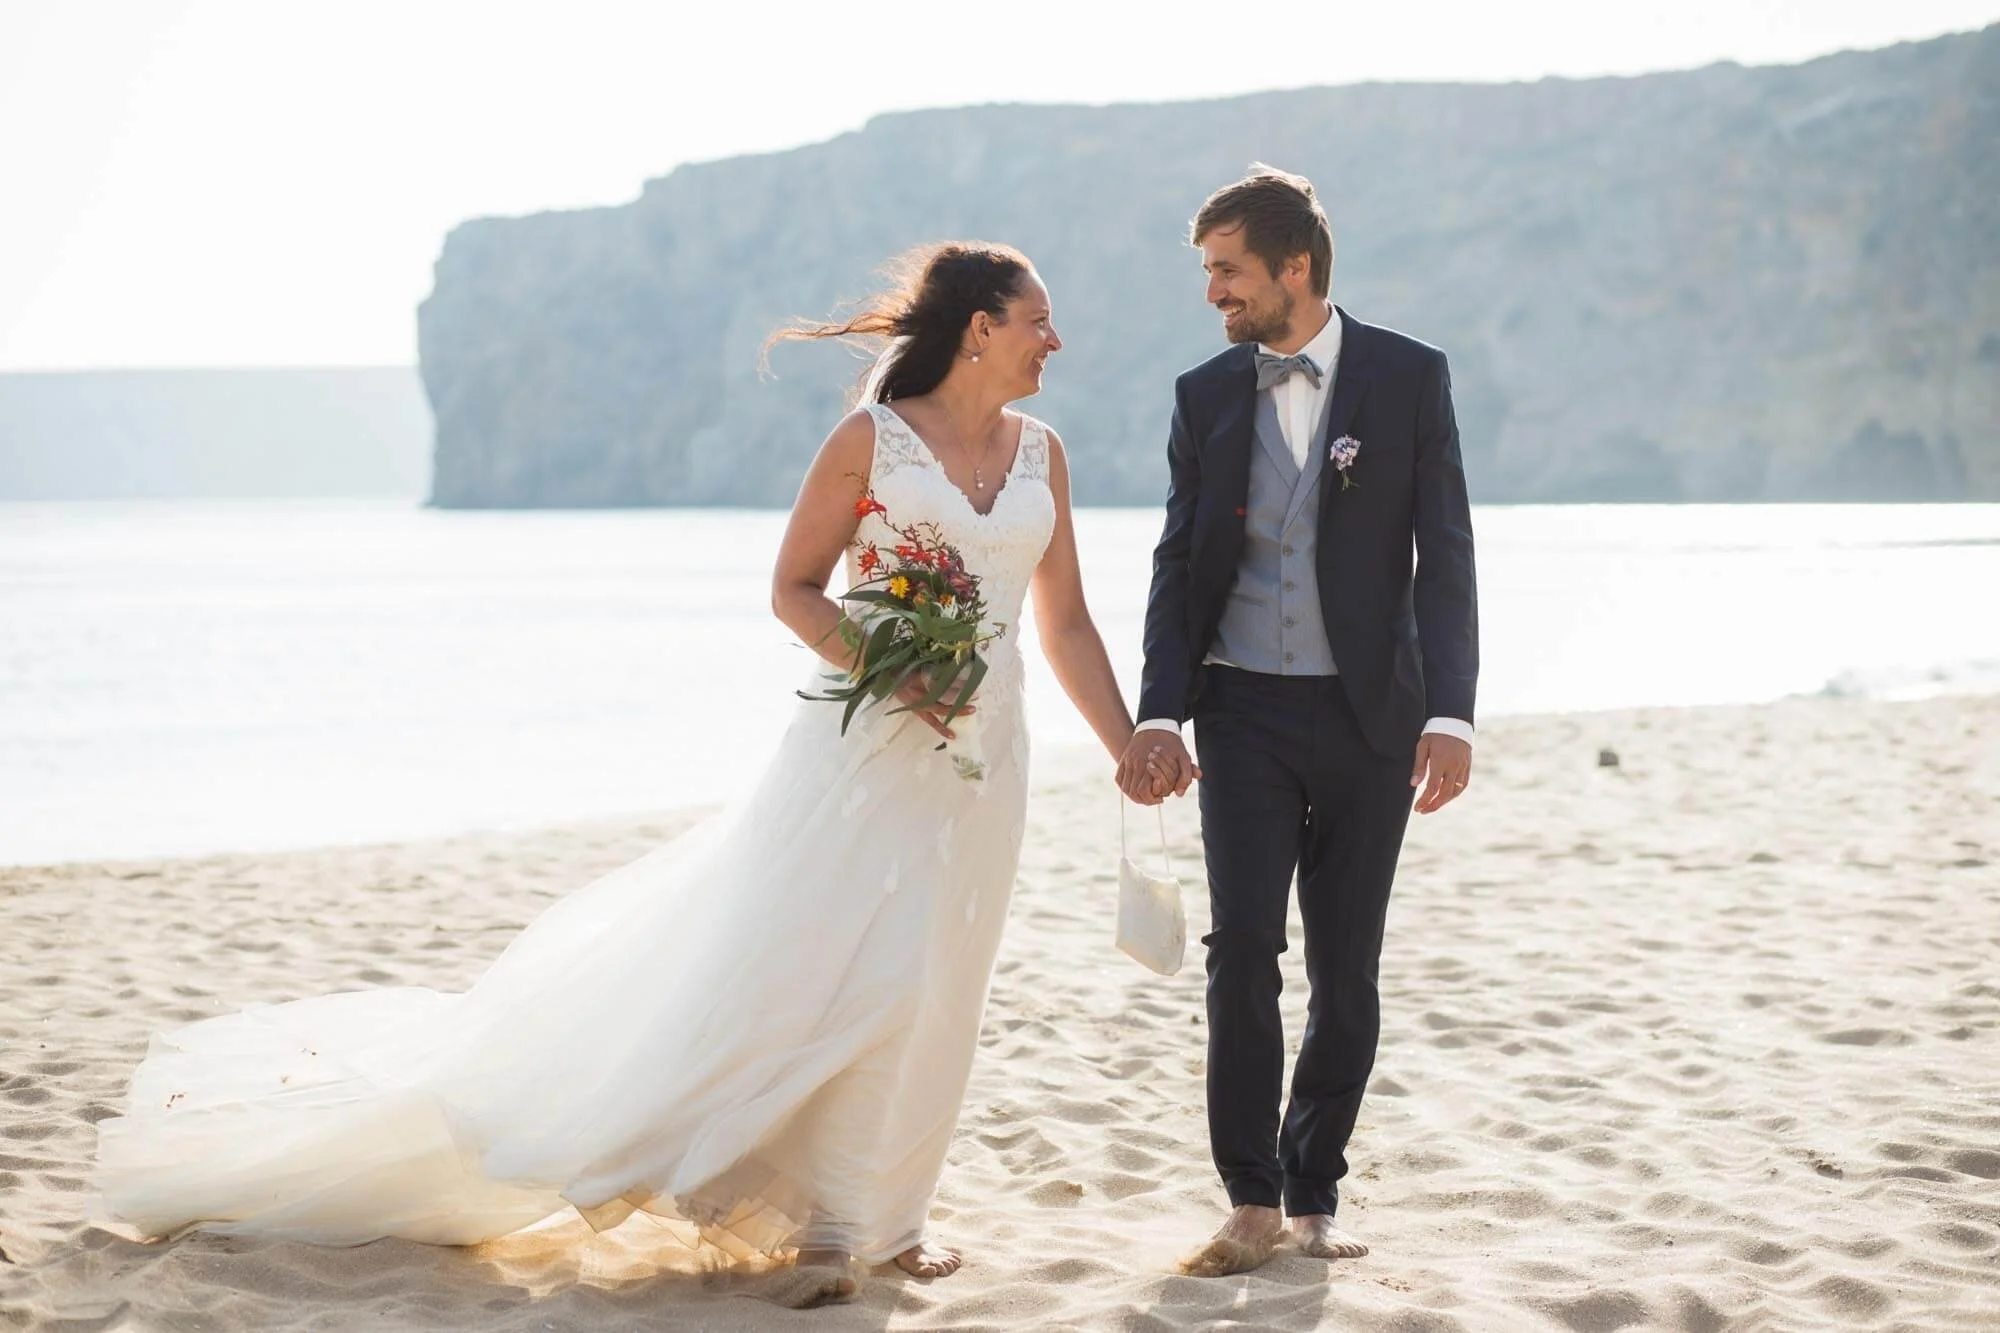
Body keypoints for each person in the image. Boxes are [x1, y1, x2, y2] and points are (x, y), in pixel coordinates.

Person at [93, 242, 1148, 1309]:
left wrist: (1123, 746)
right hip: (867, 749)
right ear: (978, 327)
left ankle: (894, 1217)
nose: (1051, 340)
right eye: (1037, 320)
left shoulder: (1040, 456)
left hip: (988, 755)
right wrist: (891, 666)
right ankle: (828, 1228)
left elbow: (1060, 620)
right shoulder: (868, 441)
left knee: (943, 981)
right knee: (844, 966)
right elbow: (793, 589)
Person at [1117, 166, 1480, 1274]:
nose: (1212, 293)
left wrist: (1453, 713)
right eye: (1207, 272)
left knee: (1346, 962)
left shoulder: (1409, 376)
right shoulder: (1203, 394)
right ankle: (1250, 1195)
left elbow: (1444, 552)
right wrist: (1161, 710)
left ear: (1295, 267)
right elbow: (1179, 561)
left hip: (1373, 714)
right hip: (1240, 713)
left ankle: (1315, 1188)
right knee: (1240, 951)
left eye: (1226, 270)